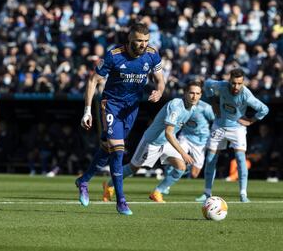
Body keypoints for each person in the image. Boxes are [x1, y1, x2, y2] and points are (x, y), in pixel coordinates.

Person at [76, 23, 165, 215]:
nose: (143, 45)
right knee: (118, 150)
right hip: (111, 105)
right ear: (130, 40)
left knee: (107, 149)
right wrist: (87, 111)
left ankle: (83, 181)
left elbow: (160, 80)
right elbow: (93, 80)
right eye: (139, 41)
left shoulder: (152, 54)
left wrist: (159, 92)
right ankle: (121, 200)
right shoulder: (114, 55)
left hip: (131, 109)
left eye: (146, 41)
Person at [102, 80, 204, 203]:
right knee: (133, 169)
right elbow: (168, 133)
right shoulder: (176, 106)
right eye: (191, 93)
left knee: (181, 167)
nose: (194, 96)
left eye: (197, 94)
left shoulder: (192, 108)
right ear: (185, 93)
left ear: (201, 95)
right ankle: (109, 185)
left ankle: (157, 192)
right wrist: (183, 153)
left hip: (166, 143)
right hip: (151, 142)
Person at [195, 68, 269, 203]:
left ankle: (243, 194)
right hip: (219, 125)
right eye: (234, 83)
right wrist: (213, 102)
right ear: (229, 81)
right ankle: (206, 193)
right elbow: (206, 84)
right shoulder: (221, 85)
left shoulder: (246, 95)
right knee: (211, 159)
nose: (236, 86)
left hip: (238, 128)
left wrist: (251, 120)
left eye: (239, 83)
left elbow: (264, 109)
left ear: (243, 82)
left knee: (241, 160)